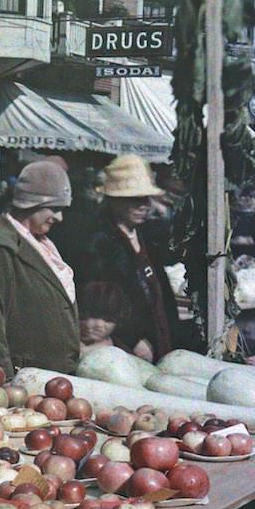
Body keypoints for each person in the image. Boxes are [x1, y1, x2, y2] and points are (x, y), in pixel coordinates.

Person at [0, 160, 79, 378]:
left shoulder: (40, 244)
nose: (60, 217)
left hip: (48, 384)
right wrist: (0, 385)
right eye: (54, 208)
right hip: (20, 386)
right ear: (31, 204)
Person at [78, 155, 182, 363]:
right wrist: (133, 338)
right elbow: (99, 302)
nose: (144, 205)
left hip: (157, 339)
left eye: (146, 198)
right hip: (125, 347)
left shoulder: (146, 237)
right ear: (115, 201)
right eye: (135, 199)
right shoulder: (99, 243)